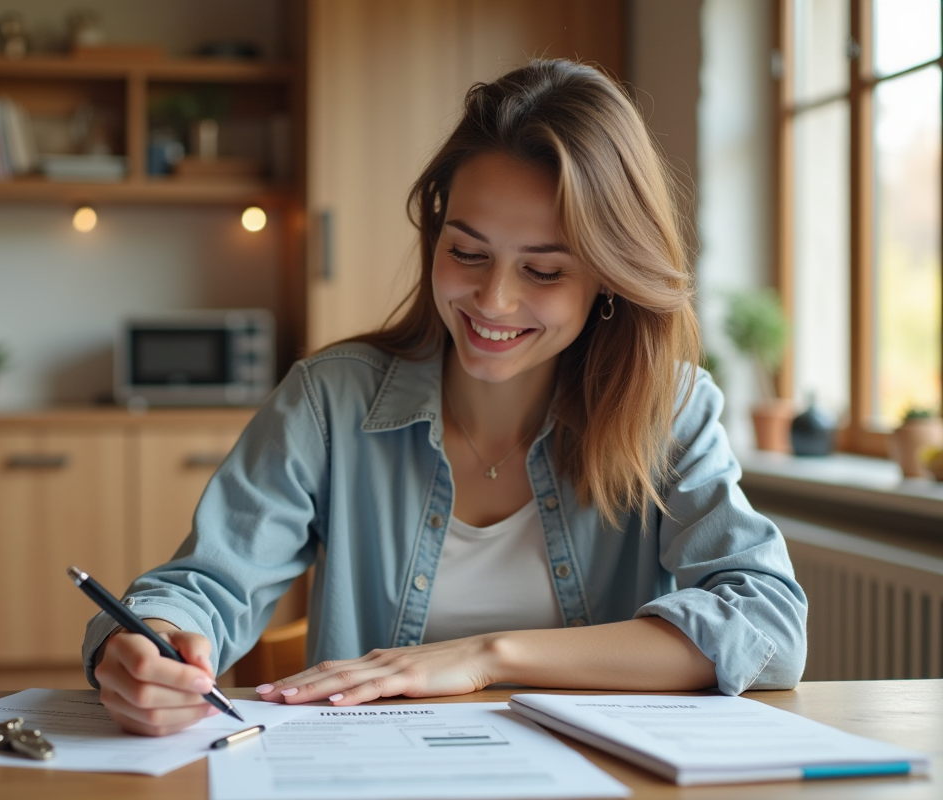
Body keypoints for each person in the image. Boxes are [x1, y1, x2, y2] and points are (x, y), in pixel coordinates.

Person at [83, 59, 808, 737]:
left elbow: (768, 627)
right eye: (467, 253)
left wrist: (489, 656)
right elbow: (206, 585)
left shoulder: (669, 409)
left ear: (609, 277)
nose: (494, 300)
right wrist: (142, 643)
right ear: (435, 233)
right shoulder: (329, 402)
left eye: (545, 271)